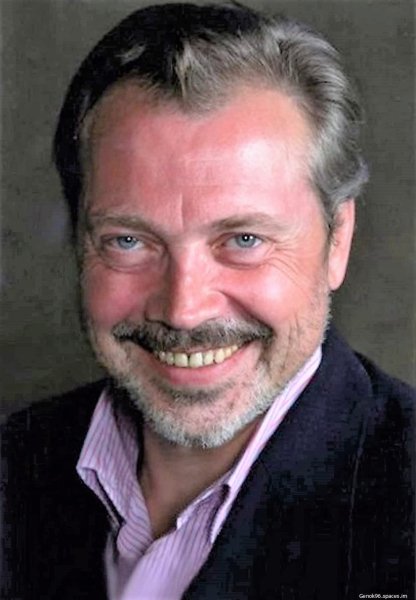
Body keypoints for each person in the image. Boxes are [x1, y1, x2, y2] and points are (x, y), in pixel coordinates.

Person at [1, 3, 414, 599]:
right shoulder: (16, 464)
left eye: (243, 240)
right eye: (128, 241)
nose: (183, 310)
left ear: (337, 242)